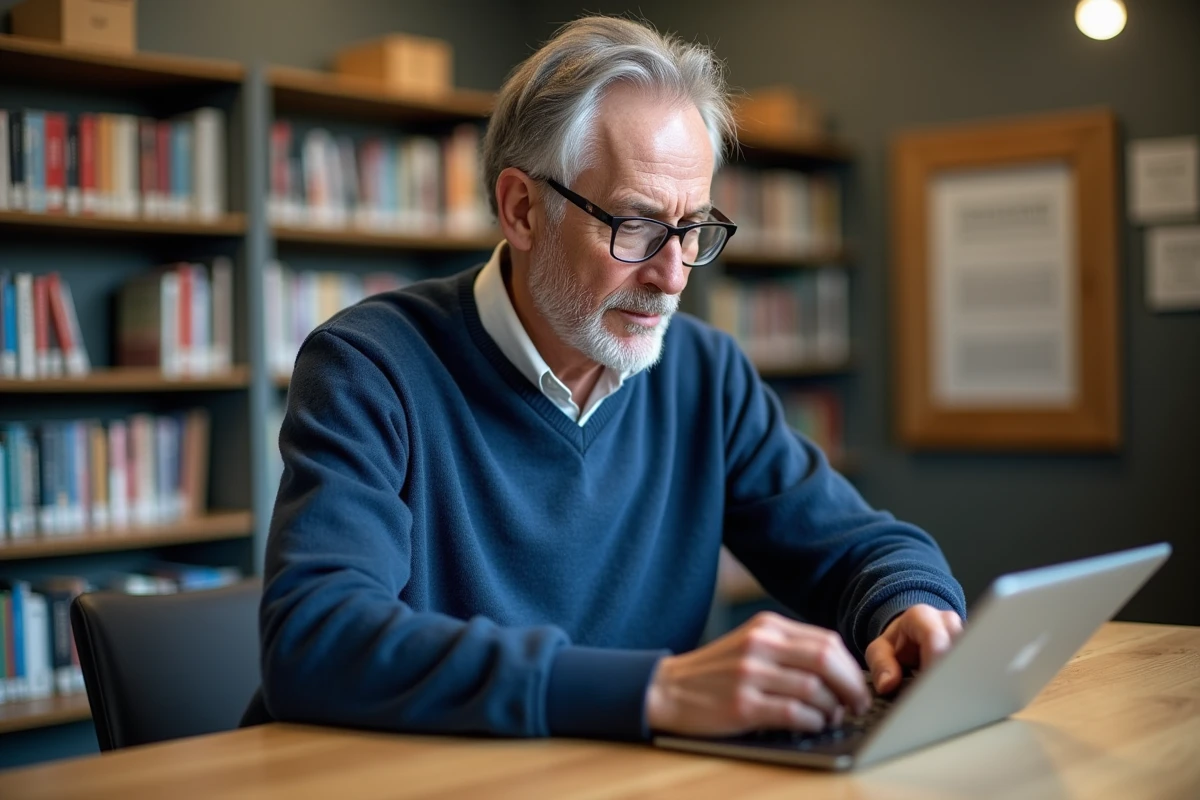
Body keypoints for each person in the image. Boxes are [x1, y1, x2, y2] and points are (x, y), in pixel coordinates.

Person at [243, 15, 966, 741]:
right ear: (522, 210)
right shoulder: (372, 365)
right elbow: (317, 639)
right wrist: (654, 690)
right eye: (636, 225)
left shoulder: (705, 375)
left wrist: (907, 607)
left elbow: (856, 546)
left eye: (692, 228)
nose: (672, 275)